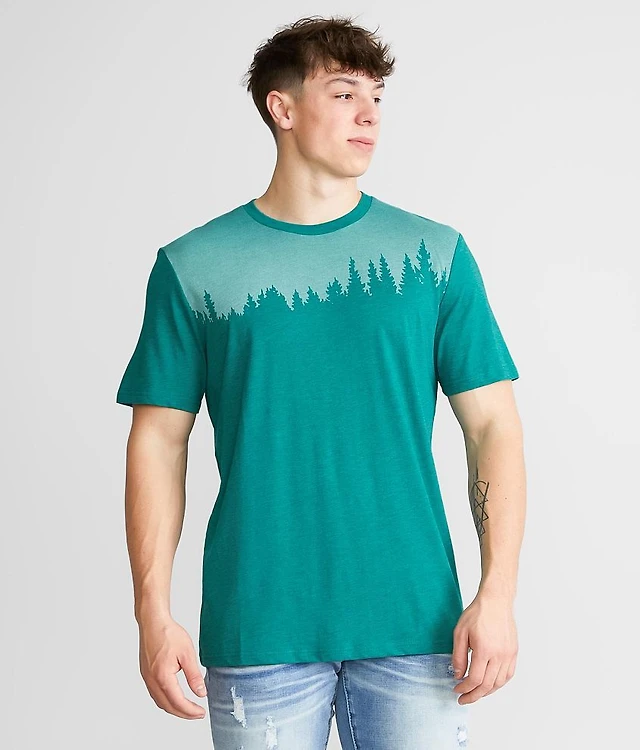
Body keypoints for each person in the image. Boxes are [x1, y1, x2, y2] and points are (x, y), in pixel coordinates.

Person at [115, 14, 526, 750]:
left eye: (376, 97)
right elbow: (157, 441)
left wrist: (497, 593)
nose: (369, 114)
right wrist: (152, 611)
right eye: (343, 94)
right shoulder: (193, 266)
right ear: (282, 108)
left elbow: (493, 425)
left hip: (417, 626)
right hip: (258, 623)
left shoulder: (435, 256)